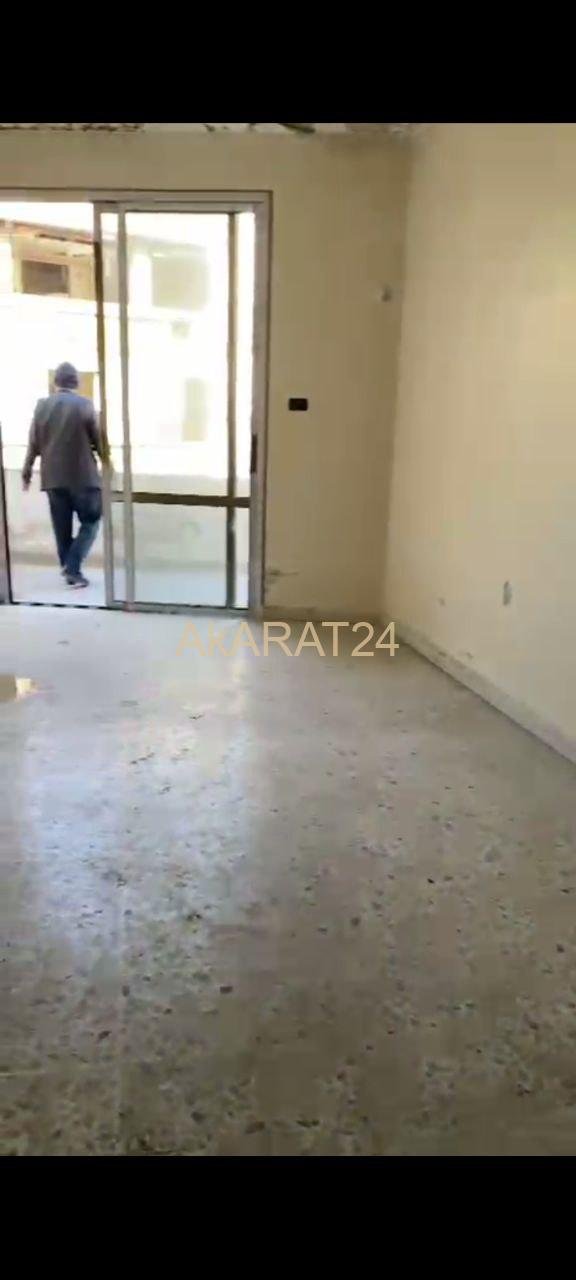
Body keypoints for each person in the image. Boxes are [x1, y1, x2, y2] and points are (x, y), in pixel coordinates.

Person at [21, 362, 104, 589]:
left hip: (53, 478)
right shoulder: (85, 405)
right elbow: (98, 440)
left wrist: (27, 472)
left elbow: (33, 443)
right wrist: (108, 464)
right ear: (76, 383)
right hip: (83, 477)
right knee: (91, 521)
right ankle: (72, 567)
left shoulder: (42, 407)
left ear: (55, 382)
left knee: (61, 527)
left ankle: (69, 569)